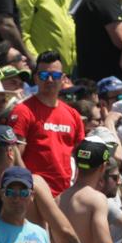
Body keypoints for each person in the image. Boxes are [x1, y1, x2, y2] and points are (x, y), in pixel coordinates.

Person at [8, 52, 85, 194]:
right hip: (34, 193)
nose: (49, 80)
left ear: (63, 79)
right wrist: (27, 188)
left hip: (65, 194)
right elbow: (14, 156)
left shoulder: (73, 115)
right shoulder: (23, 111)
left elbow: (81, 156)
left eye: (55, 76)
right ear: (36, 78)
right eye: (44, 76)